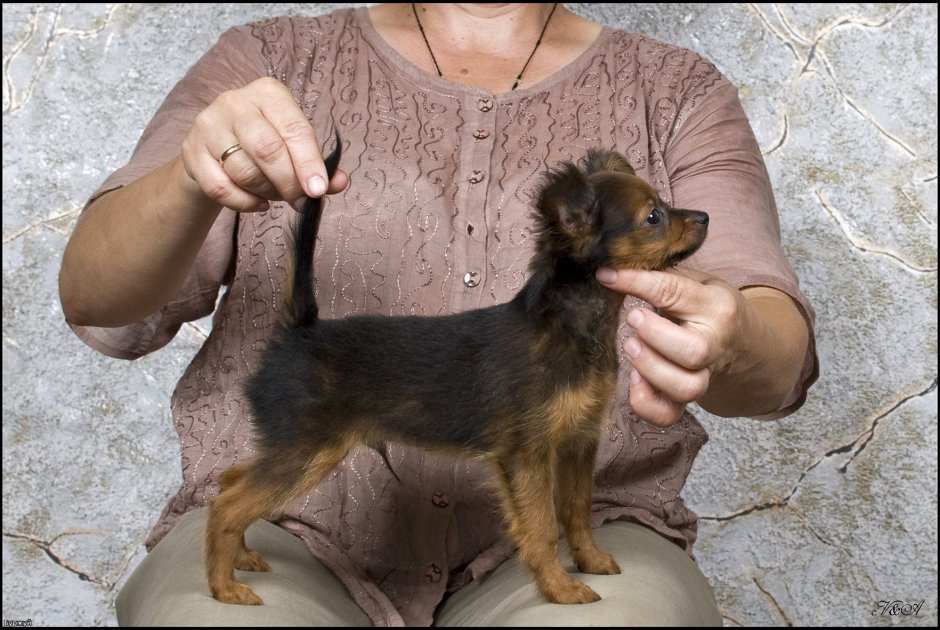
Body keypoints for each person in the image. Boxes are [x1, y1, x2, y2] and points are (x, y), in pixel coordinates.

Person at [59, 3, 818, 626]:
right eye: (652, 219)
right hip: (295, 529)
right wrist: (194, 179)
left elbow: (772, 340)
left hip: (608, 527)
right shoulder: (266, 54)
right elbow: (96, 299)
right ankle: (232, 534)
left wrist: (737, 335)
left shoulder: (676, 86)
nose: (674, 226)